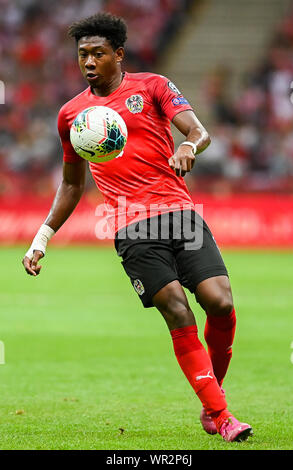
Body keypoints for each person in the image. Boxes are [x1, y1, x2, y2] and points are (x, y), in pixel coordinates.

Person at [22, 12, 252, 442]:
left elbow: (199, 131)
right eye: (82, 55)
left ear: (119, 55)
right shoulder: (72, 115)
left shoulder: (153, 87)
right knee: (178, 310)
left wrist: (187, 144)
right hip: (131, 228)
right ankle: (221, 417)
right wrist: (42, 238)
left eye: (98, 53)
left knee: (219, 303)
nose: (88, 62)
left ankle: (211, 398)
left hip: (180, 214)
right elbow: (72, 185)